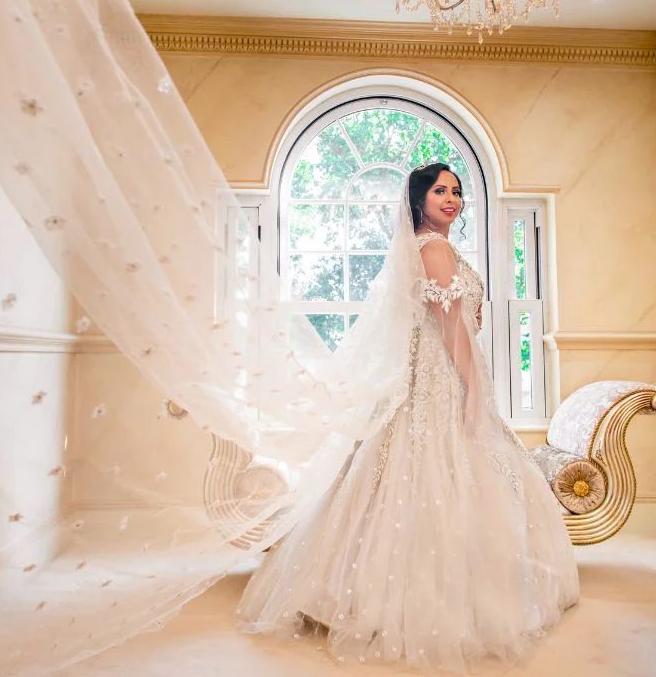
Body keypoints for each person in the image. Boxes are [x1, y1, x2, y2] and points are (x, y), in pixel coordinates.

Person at [236, 163, 580, 672]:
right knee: (444, 469)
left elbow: (450, 314)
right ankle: (437, 597)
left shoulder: (423, 248)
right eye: (441, 190)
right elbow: (448, 328)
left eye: (457, 192)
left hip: (422, 372)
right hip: (439, 377)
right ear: (419, 200)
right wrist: (472, 388)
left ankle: (355, 588)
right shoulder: (434, 248)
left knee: (403, 473)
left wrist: (471, 315)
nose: (452, 198)